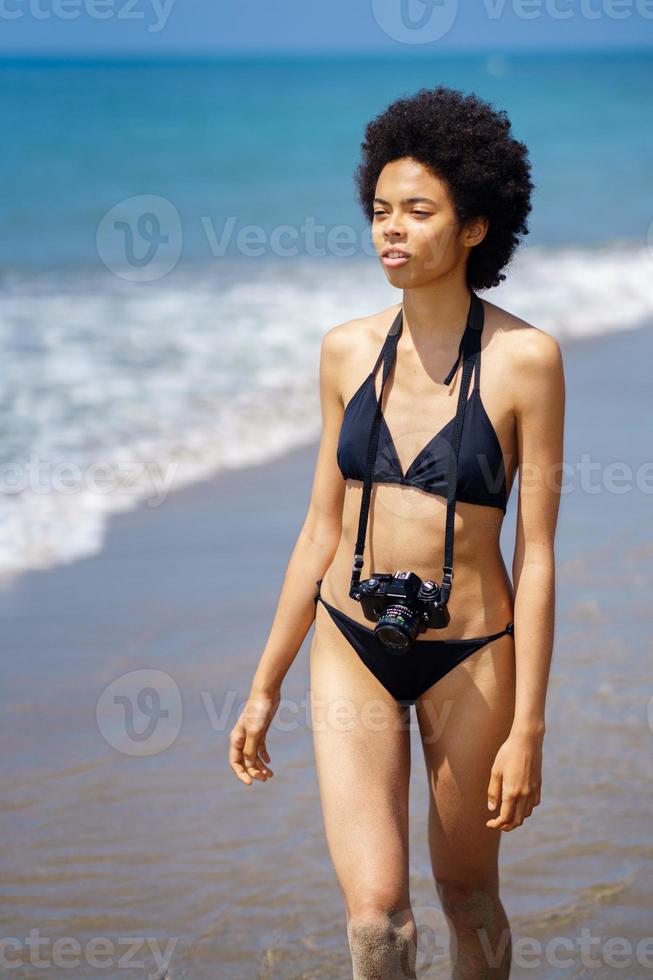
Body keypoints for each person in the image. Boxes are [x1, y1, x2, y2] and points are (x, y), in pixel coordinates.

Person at [229, 86, 565, 979]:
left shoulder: (526, 359)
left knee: (468, 898)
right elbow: (316, 530)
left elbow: (535, 556)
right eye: (380, 211)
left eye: (418, 211)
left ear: (474, 228)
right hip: (350, 641)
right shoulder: (343, 350)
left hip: (473, 652)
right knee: (377, 921)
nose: (391, 229)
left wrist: (529, 724)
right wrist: (264, 684)